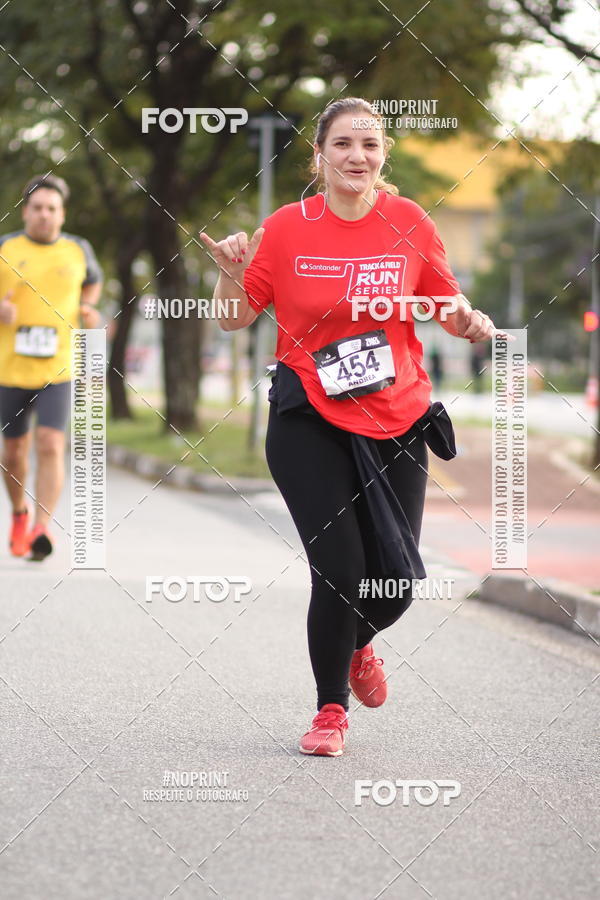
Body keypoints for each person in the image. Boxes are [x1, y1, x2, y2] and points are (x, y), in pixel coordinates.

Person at [200, 98, 498, 757]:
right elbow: (234, 318)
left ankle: (359, 642)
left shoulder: (410, 223)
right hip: (308, 413)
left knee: (395, 579)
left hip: (395, 416)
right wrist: (227, 273)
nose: (356, 156)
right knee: (339, 567)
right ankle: (330, 710)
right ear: (320, 157)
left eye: (368, 144)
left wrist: (469, 321)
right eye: (342, 145)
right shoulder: (285, 228)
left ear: (382, 153)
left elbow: (445, 303)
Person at [0, 174, 102, 561]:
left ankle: (42, 527)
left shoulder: (78, 250)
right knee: (13, 452)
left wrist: (87, 308)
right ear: (26, 211)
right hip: (8, 370)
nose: (45, 215)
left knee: (51, 443)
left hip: (60, 367)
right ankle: (19, 515)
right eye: (38, 208)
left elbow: (92, 283)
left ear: (62, 214)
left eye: (52, 209)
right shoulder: (5, 247)